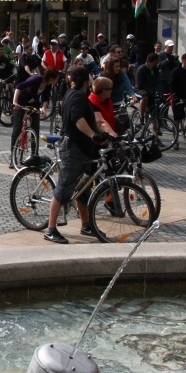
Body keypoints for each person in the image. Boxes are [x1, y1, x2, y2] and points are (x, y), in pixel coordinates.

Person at [45, 66, 107, 244]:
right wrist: (93, 135)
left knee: (82, 188)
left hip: (81, 147)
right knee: (64, 188)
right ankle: (50, 229)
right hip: (73, 148)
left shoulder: (73, 94)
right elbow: (78, 120)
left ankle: (86, 224)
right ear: (85, 81)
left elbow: (90, 121)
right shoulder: (77, 97)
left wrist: (104, 135)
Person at [11, 68, 60, 168]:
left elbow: (46, 98)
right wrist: (15, 102)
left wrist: (44, 108)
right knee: (17, 127)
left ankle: (34, 156)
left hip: (34, 104)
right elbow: (19, 86)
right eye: (57, 79)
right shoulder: (36, 79)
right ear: (52, 78)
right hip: (20, 103)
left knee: (35, 128)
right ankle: (12, 158)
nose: (57, 81)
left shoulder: (48, 85)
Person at [134, 53, 161, 134]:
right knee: (145, 96)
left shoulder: (155, 69)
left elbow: (158, 82)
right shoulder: (141, 69)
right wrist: (150, 92)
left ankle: (155, 132)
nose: (157, 63)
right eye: (156, 61)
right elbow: (139, 85)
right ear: (150, 61)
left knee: (154, 111)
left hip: (151, 91)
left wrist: (160, 92)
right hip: (140, 90)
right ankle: (141, 116)